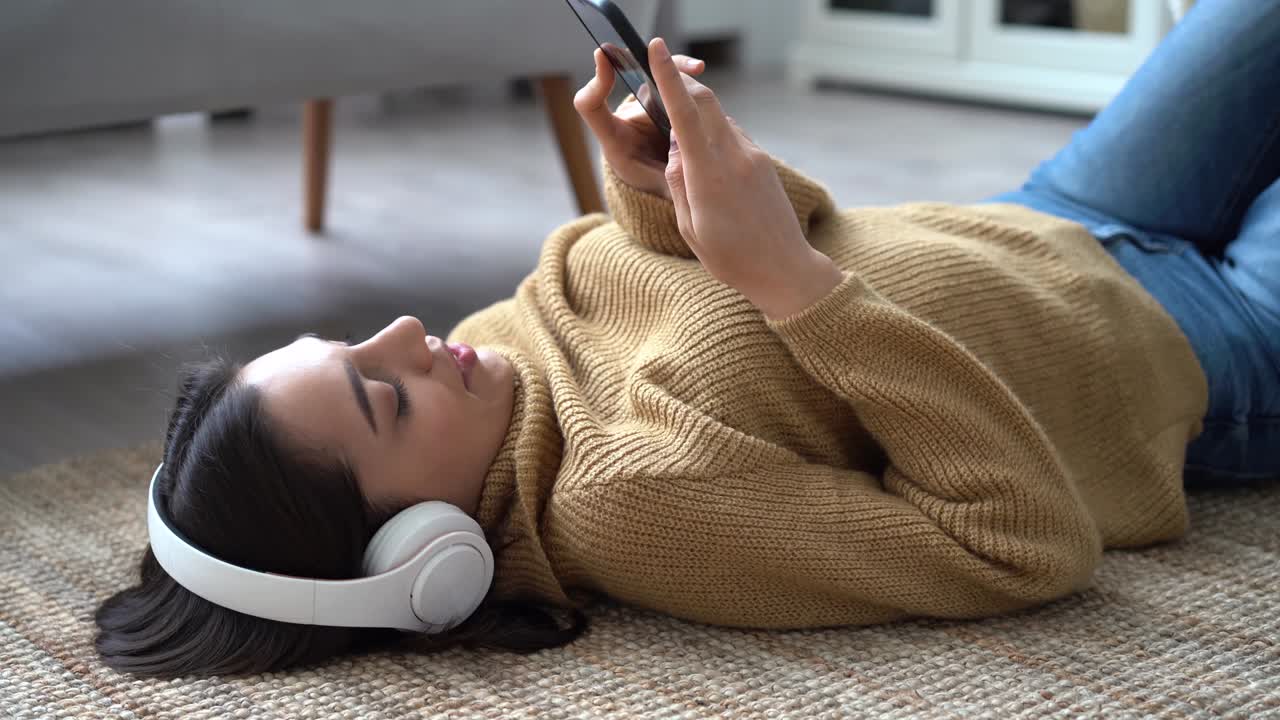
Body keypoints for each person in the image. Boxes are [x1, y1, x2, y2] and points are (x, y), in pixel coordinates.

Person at [96, 0, 1278, 678]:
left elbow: (785, 245)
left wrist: (665, 193)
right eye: (383, 401)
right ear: (419, 554)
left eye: (358, 344)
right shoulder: (639, 503)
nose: (408, 334)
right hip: (1194, 351)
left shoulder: (491, 364)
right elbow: (1018, 541)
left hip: (1045, 222)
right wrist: (791, 285)